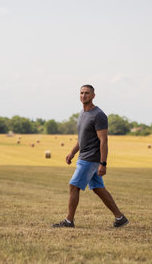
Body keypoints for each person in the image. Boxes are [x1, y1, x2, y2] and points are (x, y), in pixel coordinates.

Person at [52, 84, 129, 228]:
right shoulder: (82, 113)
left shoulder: (98, 115)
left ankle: (69, 221)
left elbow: (103, 140)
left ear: (93, 95)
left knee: (73, 186)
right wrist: (72, 152)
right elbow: (82, 138)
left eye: (87, 93)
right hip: (83, 157)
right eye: (81, 93)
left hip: (91, 158)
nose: (83, 95)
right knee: (98, 188)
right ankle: (120, 217)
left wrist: (103, 163)